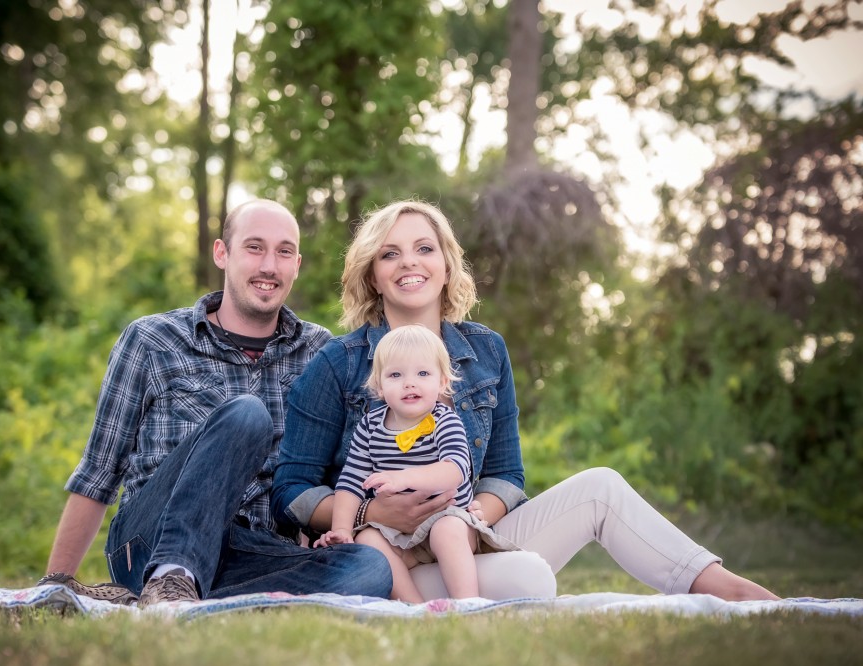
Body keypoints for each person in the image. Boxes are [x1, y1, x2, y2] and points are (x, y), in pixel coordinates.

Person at [273, 199, 780, 602]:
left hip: (462, 536)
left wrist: (462, 521)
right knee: (528, 580)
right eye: (390, 253)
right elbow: (291, 490)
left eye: (424, 249)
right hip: (384, 556)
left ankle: (726, 589)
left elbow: (506, 477)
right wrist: (373, 516)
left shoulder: (486, 352)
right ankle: (441, 602)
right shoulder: (337, 364)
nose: (409, 262)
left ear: (447, 266)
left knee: (601, 487)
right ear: (372, 275)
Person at [41, 198, 392, 607]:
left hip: (252, 549)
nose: (269, 266)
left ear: (297, 265)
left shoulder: (320, 351)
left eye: (283, 252)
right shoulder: (153, 341)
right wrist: (56, 582)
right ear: (222, 253)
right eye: (254, 247)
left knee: (368, 569)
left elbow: (332, 468)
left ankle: (174, 601)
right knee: (246, 415)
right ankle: (170, 575)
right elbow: (99, 471)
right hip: (148, 539)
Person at [316, 324, 524, 602]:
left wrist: (403, 478)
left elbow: (454, 471)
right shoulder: (370, 426)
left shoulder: (444, 421)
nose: (409, 383)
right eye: (396, 375)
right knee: (367, 540)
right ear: (379, 386)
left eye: (423, 373)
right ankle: (414, 608)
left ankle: (468, 604)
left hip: (451, 525)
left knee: (446, 530)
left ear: (442, 383)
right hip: (399, 535)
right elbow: (351, 482)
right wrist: (341, 529)